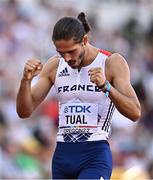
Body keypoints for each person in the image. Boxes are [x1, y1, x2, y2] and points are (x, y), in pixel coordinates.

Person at [16, 12, 141, 180]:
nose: (67, 58)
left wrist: (106, 86)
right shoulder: (55, 65)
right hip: (62, 156)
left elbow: (135, 112)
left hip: (94, 156)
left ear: (85, 41)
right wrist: (25, 81)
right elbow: (24, 111)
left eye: (71, 51)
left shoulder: (111, 62)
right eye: (61, 52)